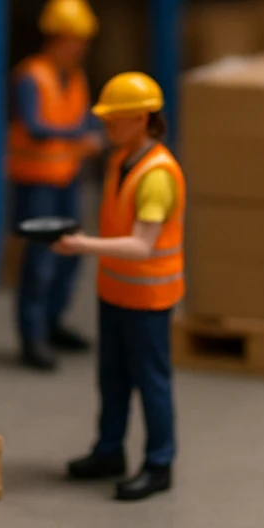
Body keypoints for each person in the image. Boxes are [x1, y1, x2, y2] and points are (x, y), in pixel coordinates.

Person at [52, 72, 182, 502]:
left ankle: (159, 463)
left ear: (142, 119)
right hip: (115, 294)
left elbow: (142, 245)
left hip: (147, 299)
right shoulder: (120, 159)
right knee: (112, 379)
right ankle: (109, 451)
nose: (106, 127)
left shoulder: (156, 175)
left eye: (114, 119)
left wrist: (80, 244)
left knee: (151, 382)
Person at [9, 0, 104, 371]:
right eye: (76, 39)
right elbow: (33, 125)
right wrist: (78, 135)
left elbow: (83, 118)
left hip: (66, 180)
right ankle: (31, 336)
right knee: (40, 262)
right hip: (37, 185)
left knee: (70, 256)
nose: (81, 47)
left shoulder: (75, 78)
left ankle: (52, 323)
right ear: (58, 37)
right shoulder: (31, 77)